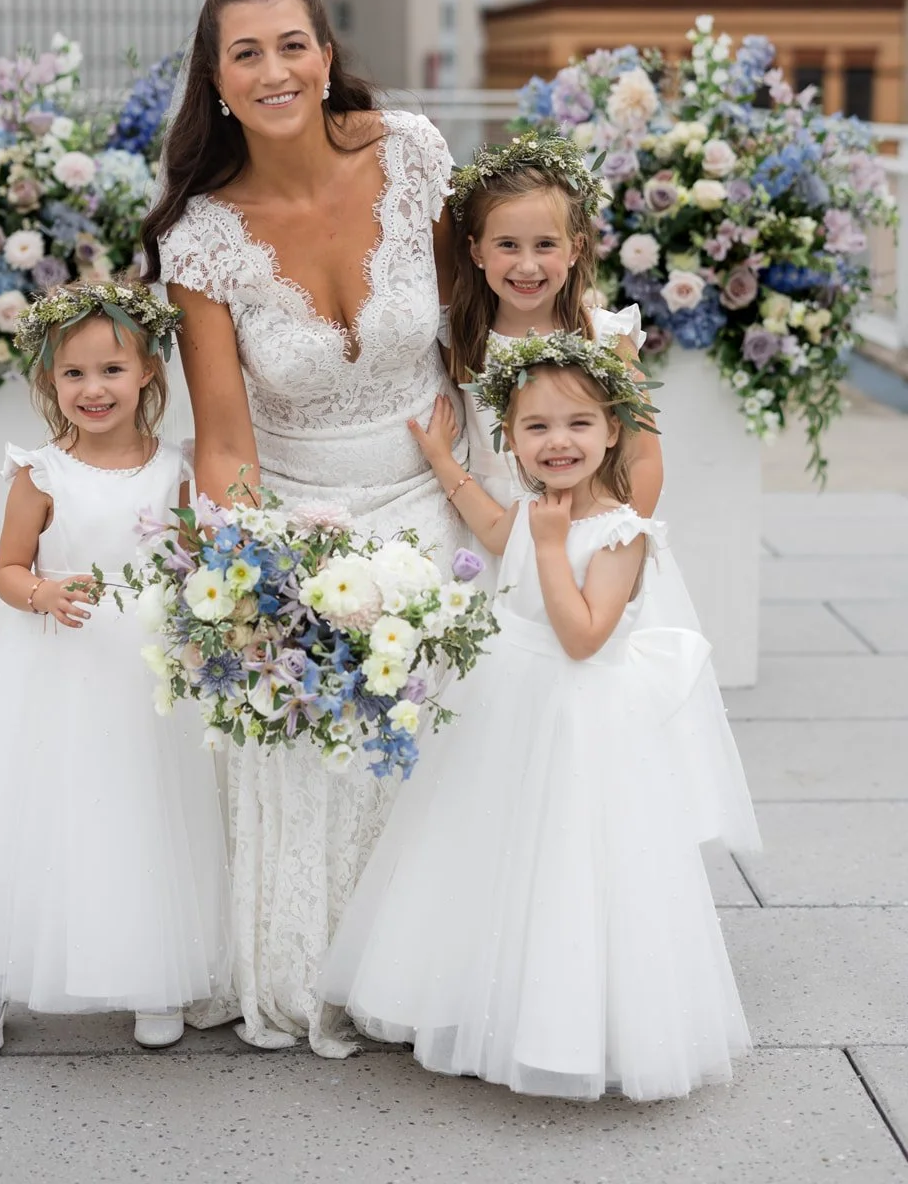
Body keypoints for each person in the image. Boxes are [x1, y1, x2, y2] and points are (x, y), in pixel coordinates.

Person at [142, 0, 468, 1057]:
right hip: (301, 513)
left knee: (482, 679)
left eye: (293, 44)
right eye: (247, 52)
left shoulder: (413, 155)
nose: (275, 68)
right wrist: (256, 576)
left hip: (440, 489)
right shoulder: (200, 241)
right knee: (300, 711)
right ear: (216, 80)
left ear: (327, 58)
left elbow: (472, 324)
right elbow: (225, 440)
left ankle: (453, 952)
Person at [325, 332, 760, 1101]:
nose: (558, 442)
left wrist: (555, 547)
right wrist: (442, 464)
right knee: (490, 853)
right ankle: (476, 1002)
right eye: (536, 428)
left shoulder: (623, 529)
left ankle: (567, 1026)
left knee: (570, 864)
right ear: (512, 437)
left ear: (613, 429)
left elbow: (586, 636)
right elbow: (499, 533)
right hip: (509, 700)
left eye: (578, 424)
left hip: (578, 714)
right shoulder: (536, 511)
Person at [0, 281, 230, 1059]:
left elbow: (187, 560)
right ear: (49, 382)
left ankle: (152, 972)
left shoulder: (174, 469)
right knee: (29, 809)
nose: (92, 389)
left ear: (149, 371)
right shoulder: (40, 472)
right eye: (73, 374)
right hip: (54, 669)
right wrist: (42, 591)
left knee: (137, 811)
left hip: (138, 670)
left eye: (110, 370)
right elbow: (7, 569)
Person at [447, 134, 664, 519]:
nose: (527, 266)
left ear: (575, 249)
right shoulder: (461, 339)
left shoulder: (605, 337)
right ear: (477, 251)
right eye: (508, 245)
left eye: (545, 244)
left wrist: (617, 541)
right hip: (488, 528)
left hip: (585, 528)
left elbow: (642, 458)